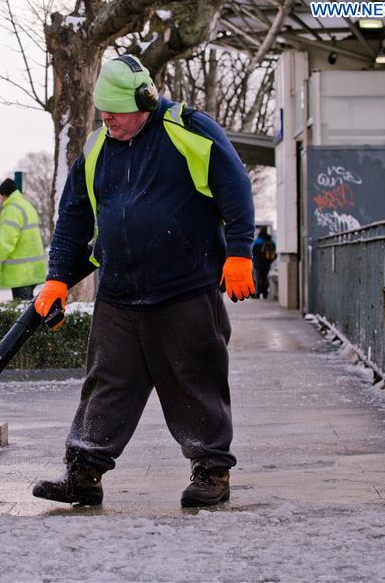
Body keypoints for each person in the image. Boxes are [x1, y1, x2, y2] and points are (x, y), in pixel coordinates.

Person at [31, 55, 255, 508]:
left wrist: (239, 253)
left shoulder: (187, 129)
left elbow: (235, 186)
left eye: (114, 109)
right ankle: (84, 473)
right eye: (102, 110)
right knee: (107, 383)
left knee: (196, 380)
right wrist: (57, 279)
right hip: (119, 293)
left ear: (144, 102)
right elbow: (73, 218)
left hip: (185, 288)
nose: (107, 118)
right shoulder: (96, 149)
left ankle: (211, 471)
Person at [0, 178, 47, 301]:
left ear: (4, 195)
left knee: (22, 311)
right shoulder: (26, 206)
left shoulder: (11, 210)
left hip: (20, 271)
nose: (0, 200)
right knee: (28, 308)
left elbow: (6, 243)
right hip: (33, 268)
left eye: (0, 196)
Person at [252, 226, 276, 299]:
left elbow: (252, 251)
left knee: (257, 278)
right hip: (267, 264)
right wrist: (270, 261)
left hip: (257, 263)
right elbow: (274, 253)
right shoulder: (271, 241)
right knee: (265, 278)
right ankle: (265, 293)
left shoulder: (257, 241)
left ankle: (257, 294)